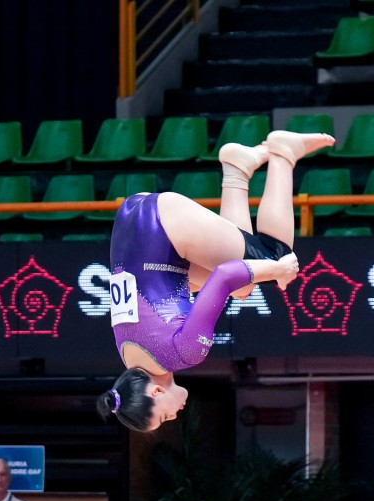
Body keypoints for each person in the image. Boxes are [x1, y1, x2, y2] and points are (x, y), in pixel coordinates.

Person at [96, 130, 334, 432]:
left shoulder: (182, 355)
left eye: (165, 416)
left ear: (155, 392)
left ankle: (283, 153)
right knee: (244, 287)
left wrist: (278, 270)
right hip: (135, 221)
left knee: (272, 256)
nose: (175, 416)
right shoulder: (129, 355)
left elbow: (224, 275)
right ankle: (237, 168)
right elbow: (165, 290)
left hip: (163, 227)